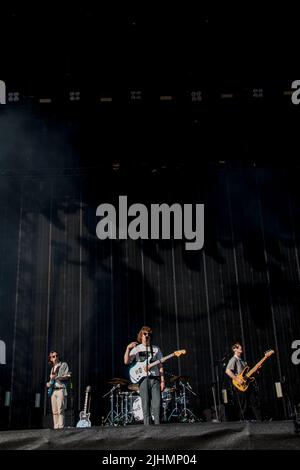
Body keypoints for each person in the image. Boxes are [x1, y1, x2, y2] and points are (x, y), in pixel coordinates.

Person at [124, 326, 165, 425]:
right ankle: (148, 429)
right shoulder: (137, 349)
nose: (147, 336)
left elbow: (160, 366)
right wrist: (128, 348)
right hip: (143, 380)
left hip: (155, 379)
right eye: (145, 334)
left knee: (157, 405)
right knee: (145, 406)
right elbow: (126, 361)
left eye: (149, 334)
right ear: (141, 335)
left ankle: (158, 428)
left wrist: (163, 380)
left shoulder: (155, 349)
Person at [225, 342, 261, 421]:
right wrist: (237, 379)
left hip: (247, 384)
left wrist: (256, 370)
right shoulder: (233, 359)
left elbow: (248, 374)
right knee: (243, 405)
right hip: (240, 385)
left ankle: (260, 420)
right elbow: (227, 371)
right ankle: (242, 423)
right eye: (239, 347)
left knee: (253, 402)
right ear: (235, 349)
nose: (241, 348)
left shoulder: (243, 361)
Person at [46, 351, 70, 429]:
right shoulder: (52, 368)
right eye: (53, 356)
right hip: (53, 390)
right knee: (55, 411)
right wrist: (49, 384)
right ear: (51, 359)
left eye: (56, 356)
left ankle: (61, 427)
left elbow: (67, 376)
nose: (55, 357)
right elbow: (52, 381)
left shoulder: (63, 365)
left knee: (60, 409)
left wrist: (56, 377)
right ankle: (56, 427)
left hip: (60, 389)